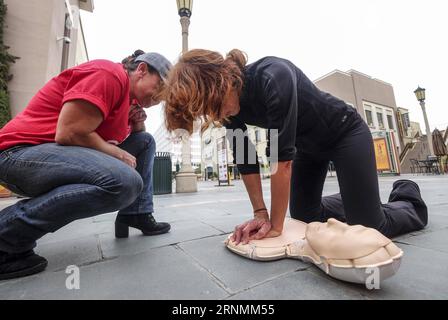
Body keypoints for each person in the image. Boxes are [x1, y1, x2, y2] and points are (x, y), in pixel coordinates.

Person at [163, 48, 428, 245]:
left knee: (371, 226)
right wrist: (260, 213)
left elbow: (281, 160)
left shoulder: (272, 76)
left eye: (215, 105)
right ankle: (360, 197)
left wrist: (275, 226)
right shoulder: (230, 112)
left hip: (344, 133)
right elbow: (246, 160)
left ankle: (407, 196)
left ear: (222, 80)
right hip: (308, 149)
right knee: (304, 214)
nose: (218, 115)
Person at [0, 50, 172, 280]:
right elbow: (69, 132)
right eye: (160, 87)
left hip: (51, 156)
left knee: (146, 141)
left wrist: (137, 123)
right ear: (141, 70)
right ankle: (6, 236)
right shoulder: (109, 75)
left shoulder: (127, 102)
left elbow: (135, 143)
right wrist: (117, 154)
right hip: (18, 153)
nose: (160, 97)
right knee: (124, 182)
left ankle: (136, 213)